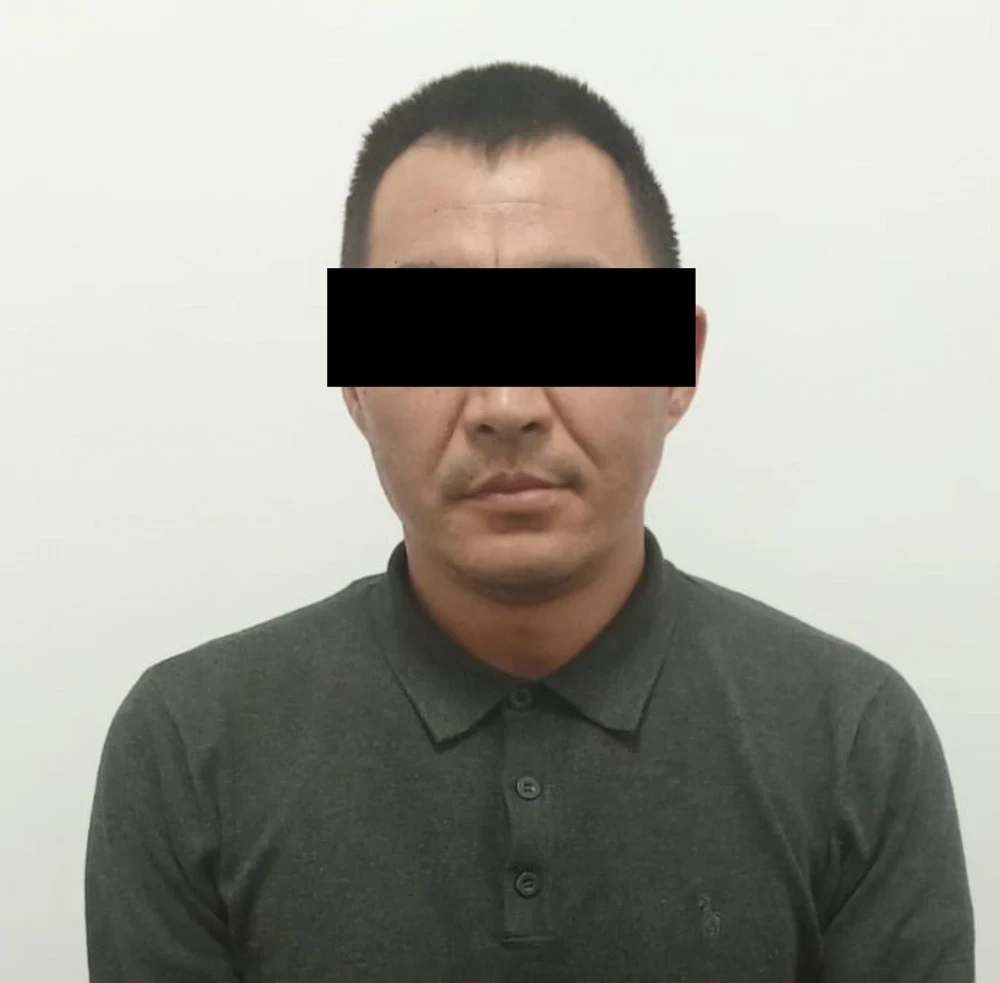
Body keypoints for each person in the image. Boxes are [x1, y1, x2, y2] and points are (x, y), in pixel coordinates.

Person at [85, 62, 975, 982]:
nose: (506, 404)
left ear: (679, 362)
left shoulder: (854, 742)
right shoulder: (191, 748)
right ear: (352, 377)